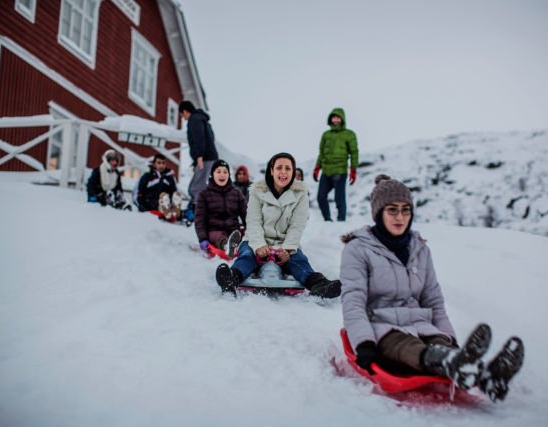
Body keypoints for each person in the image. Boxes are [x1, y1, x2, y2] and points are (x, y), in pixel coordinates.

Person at [340, 175, 525, 402]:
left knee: (438, 343)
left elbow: (433, 300)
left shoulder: (420, 249)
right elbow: (353, 300)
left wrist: (449, 338)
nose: (400, 217)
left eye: (405, 210)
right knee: (408, 346)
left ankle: (487, 377)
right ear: (379, 213)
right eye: (392, 210)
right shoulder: (358, 249)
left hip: (420, 323)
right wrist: (363, 343)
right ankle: (451, 361)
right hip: (380, 326)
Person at [215, 152, 341, 298]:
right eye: (279, 167)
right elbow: (253, 221)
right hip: (255, 240)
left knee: (298, 260)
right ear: (271, 170)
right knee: (247, 256)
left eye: (288, 168)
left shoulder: (300, 194)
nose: (283, 172)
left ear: (293, 172)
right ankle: (231, 278)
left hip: (284, 242)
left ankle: (319, 284)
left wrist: (287, 249)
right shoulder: (257, 191)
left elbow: (297, 225)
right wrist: (259, 245)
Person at [313, 107, 359, 222]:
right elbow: (321, 153)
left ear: (342, 119)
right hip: (326, 172)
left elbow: (354, 152)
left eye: (338, 117)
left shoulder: (349, 134)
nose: (336, 120)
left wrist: (353, 170)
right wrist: (317, 167)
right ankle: (327, 220)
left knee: (339, 199)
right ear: (331, 119)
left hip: (340, 171)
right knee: (321, 197)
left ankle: (341, 222)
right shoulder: (326, 135)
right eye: (334, 117)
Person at [195, 160, 247, 258]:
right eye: (218, 172)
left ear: (228, 174)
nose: (222, 175)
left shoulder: (236, 193)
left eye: (225, 172)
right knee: (220, 236)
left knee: (241, 234)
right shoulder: (204, 194)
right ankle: (227, 245)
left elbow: (246, 214)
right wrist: (203, 239)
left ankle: (237, 243)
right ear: (212, 174)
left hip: (233, 230)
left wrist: (251, 230)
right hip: (214, 231)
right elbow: (199, 219)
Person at [179, 100, 219, 218]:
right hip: (209, 157)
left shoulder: (194, 120)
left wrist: (199, 156)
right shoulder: (203, 120)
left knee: (196, 187)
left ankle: (198, 211)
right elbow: (210, 138)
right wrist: (196, 160)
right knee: (197, 185)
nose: (183, 118)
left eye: (182, 115)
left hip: (205, 157)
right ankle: (200, 207)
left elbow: (199, 138)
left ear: (186, 111)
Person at [135, 153, 182, 220]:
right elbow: (139, 193)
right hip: (149, 206)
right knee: (163, 196)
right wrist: (141, 207)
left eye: (163, 163)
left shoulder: (169, 178)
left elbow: (173, 193)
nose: (161, 165)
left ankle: (174, 213)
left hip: (164, 204)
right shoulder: (147, 176)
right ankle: (166, 212)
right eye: (159, 163)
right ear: (154, 164)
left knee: (175, 195)